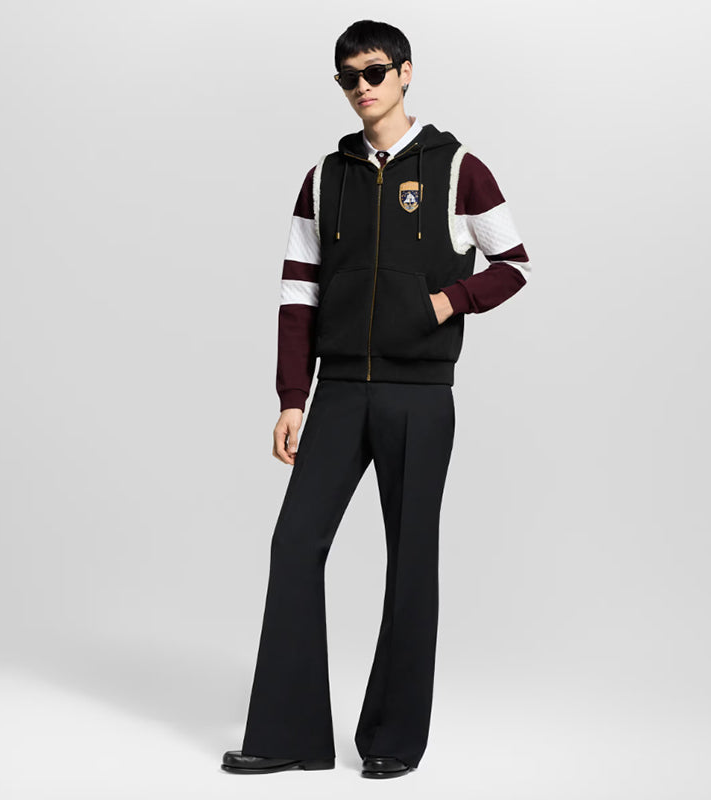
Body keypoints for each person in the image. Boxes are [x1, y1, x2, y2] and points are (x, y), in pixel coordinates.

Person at [221, 18, 531, 780]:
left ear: (405, 73)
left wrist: (447, 301)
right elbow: (299, 292)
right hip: (337, 391)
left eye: (374, 72)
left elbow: (515, 263)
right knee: (295, 545)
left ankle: (392, 740)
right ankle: (289, 735)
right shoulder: (325, 179)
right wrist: (291, 396)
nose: (361, 87)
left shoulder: (458, 168)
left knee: (410, 560)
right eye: (348, 77)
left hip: (420, 395)